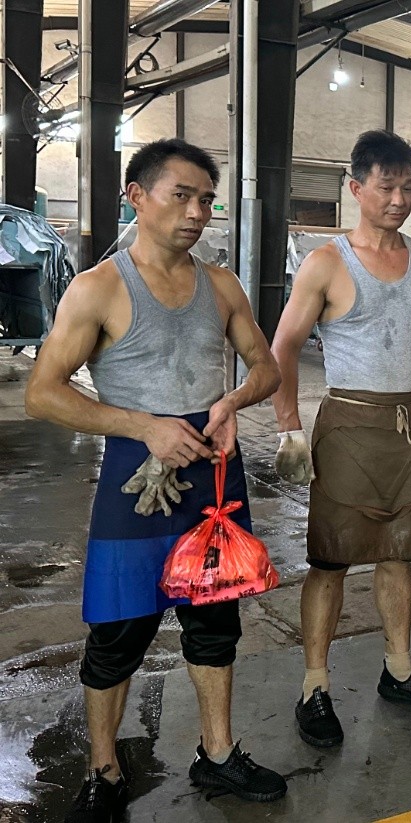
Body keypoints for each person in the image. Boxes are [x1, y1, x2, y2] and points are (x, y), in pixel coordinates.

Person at [24, 138, 286, 822]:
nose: (197, 212)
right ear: (137, 196)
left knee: (215, 623)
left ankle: (218, 752)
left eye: (207, 200)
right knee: (119, 631)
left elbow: (266, 367)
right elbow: (42, 393)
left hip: (214, 478)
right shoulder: (100, 288)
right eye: (182, 196)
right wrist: (144, 427)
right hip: (133, 480)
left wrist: (232, 402)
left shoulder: (221, 284)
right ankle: (104, 770)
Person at [270, 130, 411, 747]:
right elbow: (283, 347)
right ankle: (315, 685)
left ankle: (398, 669)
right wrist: (289, 427)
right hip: (350, 425)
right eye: (386, 187)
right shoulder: (327, 263)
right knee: (331, 559)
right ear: (356, 188)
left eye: (407, 187)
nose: (399, 199)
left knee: (400, 552)